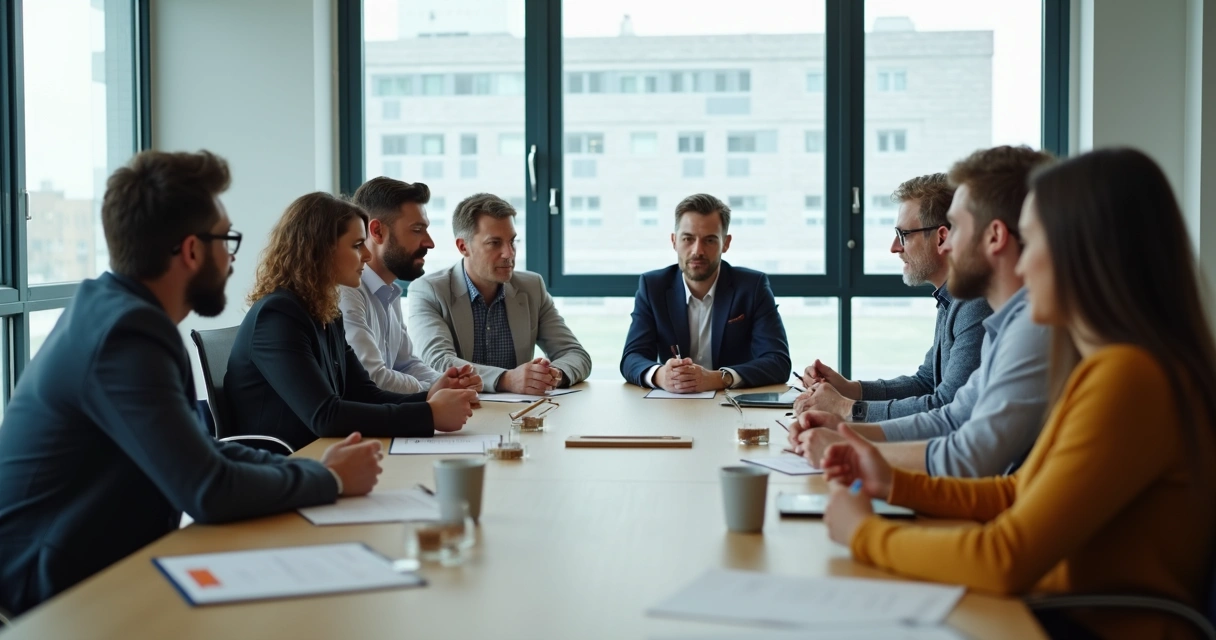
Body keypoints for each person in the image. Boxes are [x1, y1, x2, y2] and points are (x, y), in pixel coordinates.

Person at [817, 148, 1216, 640]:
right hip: (1054, 610)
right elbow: (1018, 492)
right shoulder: (1110, 366)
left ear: (1084, 254)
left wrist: (864, 534)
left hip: (1083, 625)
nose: (1020, 269)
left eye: (1034, 243)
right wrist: (893, 483)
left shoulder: (1131, 378)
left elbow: (1005, 557)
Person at [0, 151, 384, 616]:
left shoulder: (122, 315)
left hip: (98, 571)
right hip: (54, 598)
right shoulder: (125, 334)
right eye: (227, 239)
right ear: (191, 250)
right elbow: (207, 488)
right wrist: (327, 477)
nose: (232, 255)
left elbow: (203, 451)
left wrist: (322, 473)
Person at [791, 146, 1053, 477]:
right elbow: (952, 415)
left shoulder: (1028, 326)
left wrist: (849, 435)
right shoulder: (1003, 322)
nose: (948, 244)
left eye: (955, 227)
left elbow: (970, 453)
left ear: (996, 236)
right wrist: (846, 429)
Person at [226, 192, 476, 451]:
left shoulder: (325, 312)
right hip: (286, 465)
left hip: (324, 454)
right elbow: (325, 416)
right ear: (320, 251)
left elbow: (365, 393)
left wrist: (430, 397)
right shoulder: (278, 315)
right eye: (358, 245)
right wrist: (429, 414)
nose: (368, 255)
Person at [795, 174, 991, 421]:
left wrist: (846, 408)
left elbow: (946, 406)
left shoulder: (975, 304)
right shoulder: (951, 298)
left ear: (941, 238)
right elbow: (927, 382)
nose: (894, 247)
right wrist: (849, 389)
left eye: (903, 234)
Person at [408, 193, 592, 394]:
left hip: (520, 415)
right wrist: (506, 379)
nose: (509, 253)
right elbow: (436, 361)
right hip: (459, 415)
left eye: (512, 241)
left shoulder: (532, 287)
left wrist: (551, 375)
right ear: (463, 247)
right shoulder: (429, 291)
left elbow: (575, 354)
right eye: (495, 243)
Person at [620, 193, 791, 392]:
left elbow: (778, 361)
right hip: (673, 406)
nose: (697, 251)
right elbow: (631, 358)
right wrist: (661, 376)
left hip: (733, 405)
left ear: (725, 243)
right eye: (688, 239)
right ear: (674, 241)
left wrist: (718, 378)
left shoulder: (752, 287)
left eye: (709, 240)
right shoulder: (653, 286)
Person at [341, 177, 482, 395]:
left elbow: (406, 365)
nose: (430, 242)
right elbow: (372, 377)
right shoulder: (347, 291)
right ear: (377, 231)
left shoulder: (389, 291)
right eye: (417, 230)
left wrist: (450, 382)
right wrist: (435, 389)